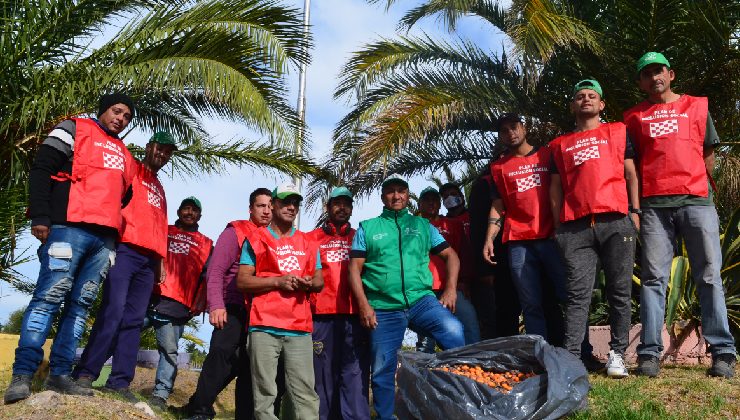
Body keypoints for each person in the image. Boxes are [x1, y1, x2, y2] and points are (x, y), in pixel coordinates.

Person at [4, 93, 138, 404]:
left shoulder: (124, 154)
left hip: (103, 240)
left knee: (80, 306)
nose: (121, 118)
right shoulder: (73, 128)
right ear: (103, 110)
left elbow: (126, 194)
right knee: (49, 298)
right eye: (117, 111)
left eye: (127, 117)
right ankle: (23, 374)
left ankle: (60, 374)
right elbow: (42, 168)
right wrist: (41, 215)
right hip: (68, 228)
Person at [624, 52, 737, 378]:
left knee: (709, 275)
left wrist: (698, 190)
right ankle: (649, 353)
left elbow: (708, 155)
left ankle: (723, 352)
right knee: (653, 279)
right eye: (646, 74)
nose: (653, 77)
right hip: (655, 208)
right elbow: (632, 163)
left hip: (696, 202)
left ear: (670, 74)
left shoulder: (697, 106)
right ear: (641, 82)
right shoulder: (633, 117)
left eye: (658, 70)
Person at [347, 174, 465, 420]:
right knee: (382, 368)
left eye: (401, 191)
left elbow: (451, 256)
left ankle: (458, 405)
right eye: (391, 191)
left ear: (408, 196)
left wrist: (450, 289)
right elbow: (354, 270)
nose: (396, 195)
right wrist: (364, 305)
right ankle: (386, 416)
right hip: (383, 306)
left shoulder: (422, 226)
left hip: (422, 301)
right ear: (383, 197)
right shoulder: (368, 227)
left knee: (454, 330)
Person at [73, 132, 175, 399]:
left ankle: (119, 381)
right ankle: (85, 373)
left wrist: (161, 260)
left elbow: (160, 225)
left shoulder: (160, 187)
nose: (162, 155)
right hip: (126, 249)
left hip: (148, 259)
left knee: (133, 320)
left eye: (167, 152)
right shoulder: (131, 168)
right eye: (159, 149)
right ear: (148, 147)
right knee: (113, 310)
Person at [550, 79, 640, 378]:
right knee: (578, 295)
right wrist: (557, 226)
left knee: (620, 290)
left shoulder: (617, 131)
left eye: (592, 96)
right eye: (579, 96)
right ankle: (572, 358)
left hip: (615, 219)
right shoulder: (559, 145)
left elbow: (630, 173)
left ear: (601, 104)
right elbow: (555, 188)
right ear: (573, 106)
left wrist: (636, 211)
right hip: (575, 228)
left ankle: (617, 355)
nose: (585, 100)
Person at [181, 187, 274, 420]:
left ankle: (205, 405)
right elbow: (216, 271)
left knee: (247, 365)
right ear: (250, 209)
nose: (267, 211)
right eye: (261, 206)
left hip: (260, 313)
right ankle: (200, 411)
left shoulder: (274, 238)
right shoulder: (236, 231)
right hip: (231, 306)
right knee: (220, 354)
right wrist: (216, 305)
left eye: (271, 206)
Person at [237, 183, 323, 420]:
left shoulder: (308, 242)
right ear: (273, 205)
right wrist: (278, 282)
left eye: (295, 202)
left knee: (306, 394)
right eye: (285, 201)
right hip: (264, 326)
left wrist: (308, 283)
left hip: (299, 328)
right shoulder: (256, 239)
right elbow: (243, 281)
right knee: (264, 397)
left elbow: (319, 281)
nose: (291, 207)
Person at [306, 187, 370, 420]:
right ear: (328, 207)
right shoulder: (311, 239)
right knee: (322, 376)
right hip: (321, 316)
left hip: (355, 314)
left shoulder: (360, 237)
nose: (342, 208)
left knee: (354, 375)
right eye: (337, 203)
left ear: (351, 208)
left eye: (347, 204)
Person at [145, 197, 213, 409]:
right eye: (186, 208)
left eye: (194, 210)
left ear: (199, 216)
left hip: (176, 304)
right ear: (178, 211)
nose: (189, 213)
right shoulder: (163, 230)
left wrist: (198, 304)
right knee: (122, 332)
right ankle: (98, 375)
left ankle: (161, 394)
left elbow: (207, 278)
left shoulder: (206, 243)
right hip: (148, 297)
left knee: (169, 350)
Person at [417, 186, 480, 349]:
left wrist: (464, 281)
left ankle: (474, 364)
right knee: (426, 337)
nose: (431, 203)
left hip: (452, 288)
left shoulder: (453, 224)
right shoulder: (412, 228)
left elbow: (464, 254)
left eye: (434, 200)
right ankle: (423, 372)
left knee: (469, 323)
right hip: (423, 290)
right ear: (419, 205)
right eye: (426, 200)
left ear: (439, 204)